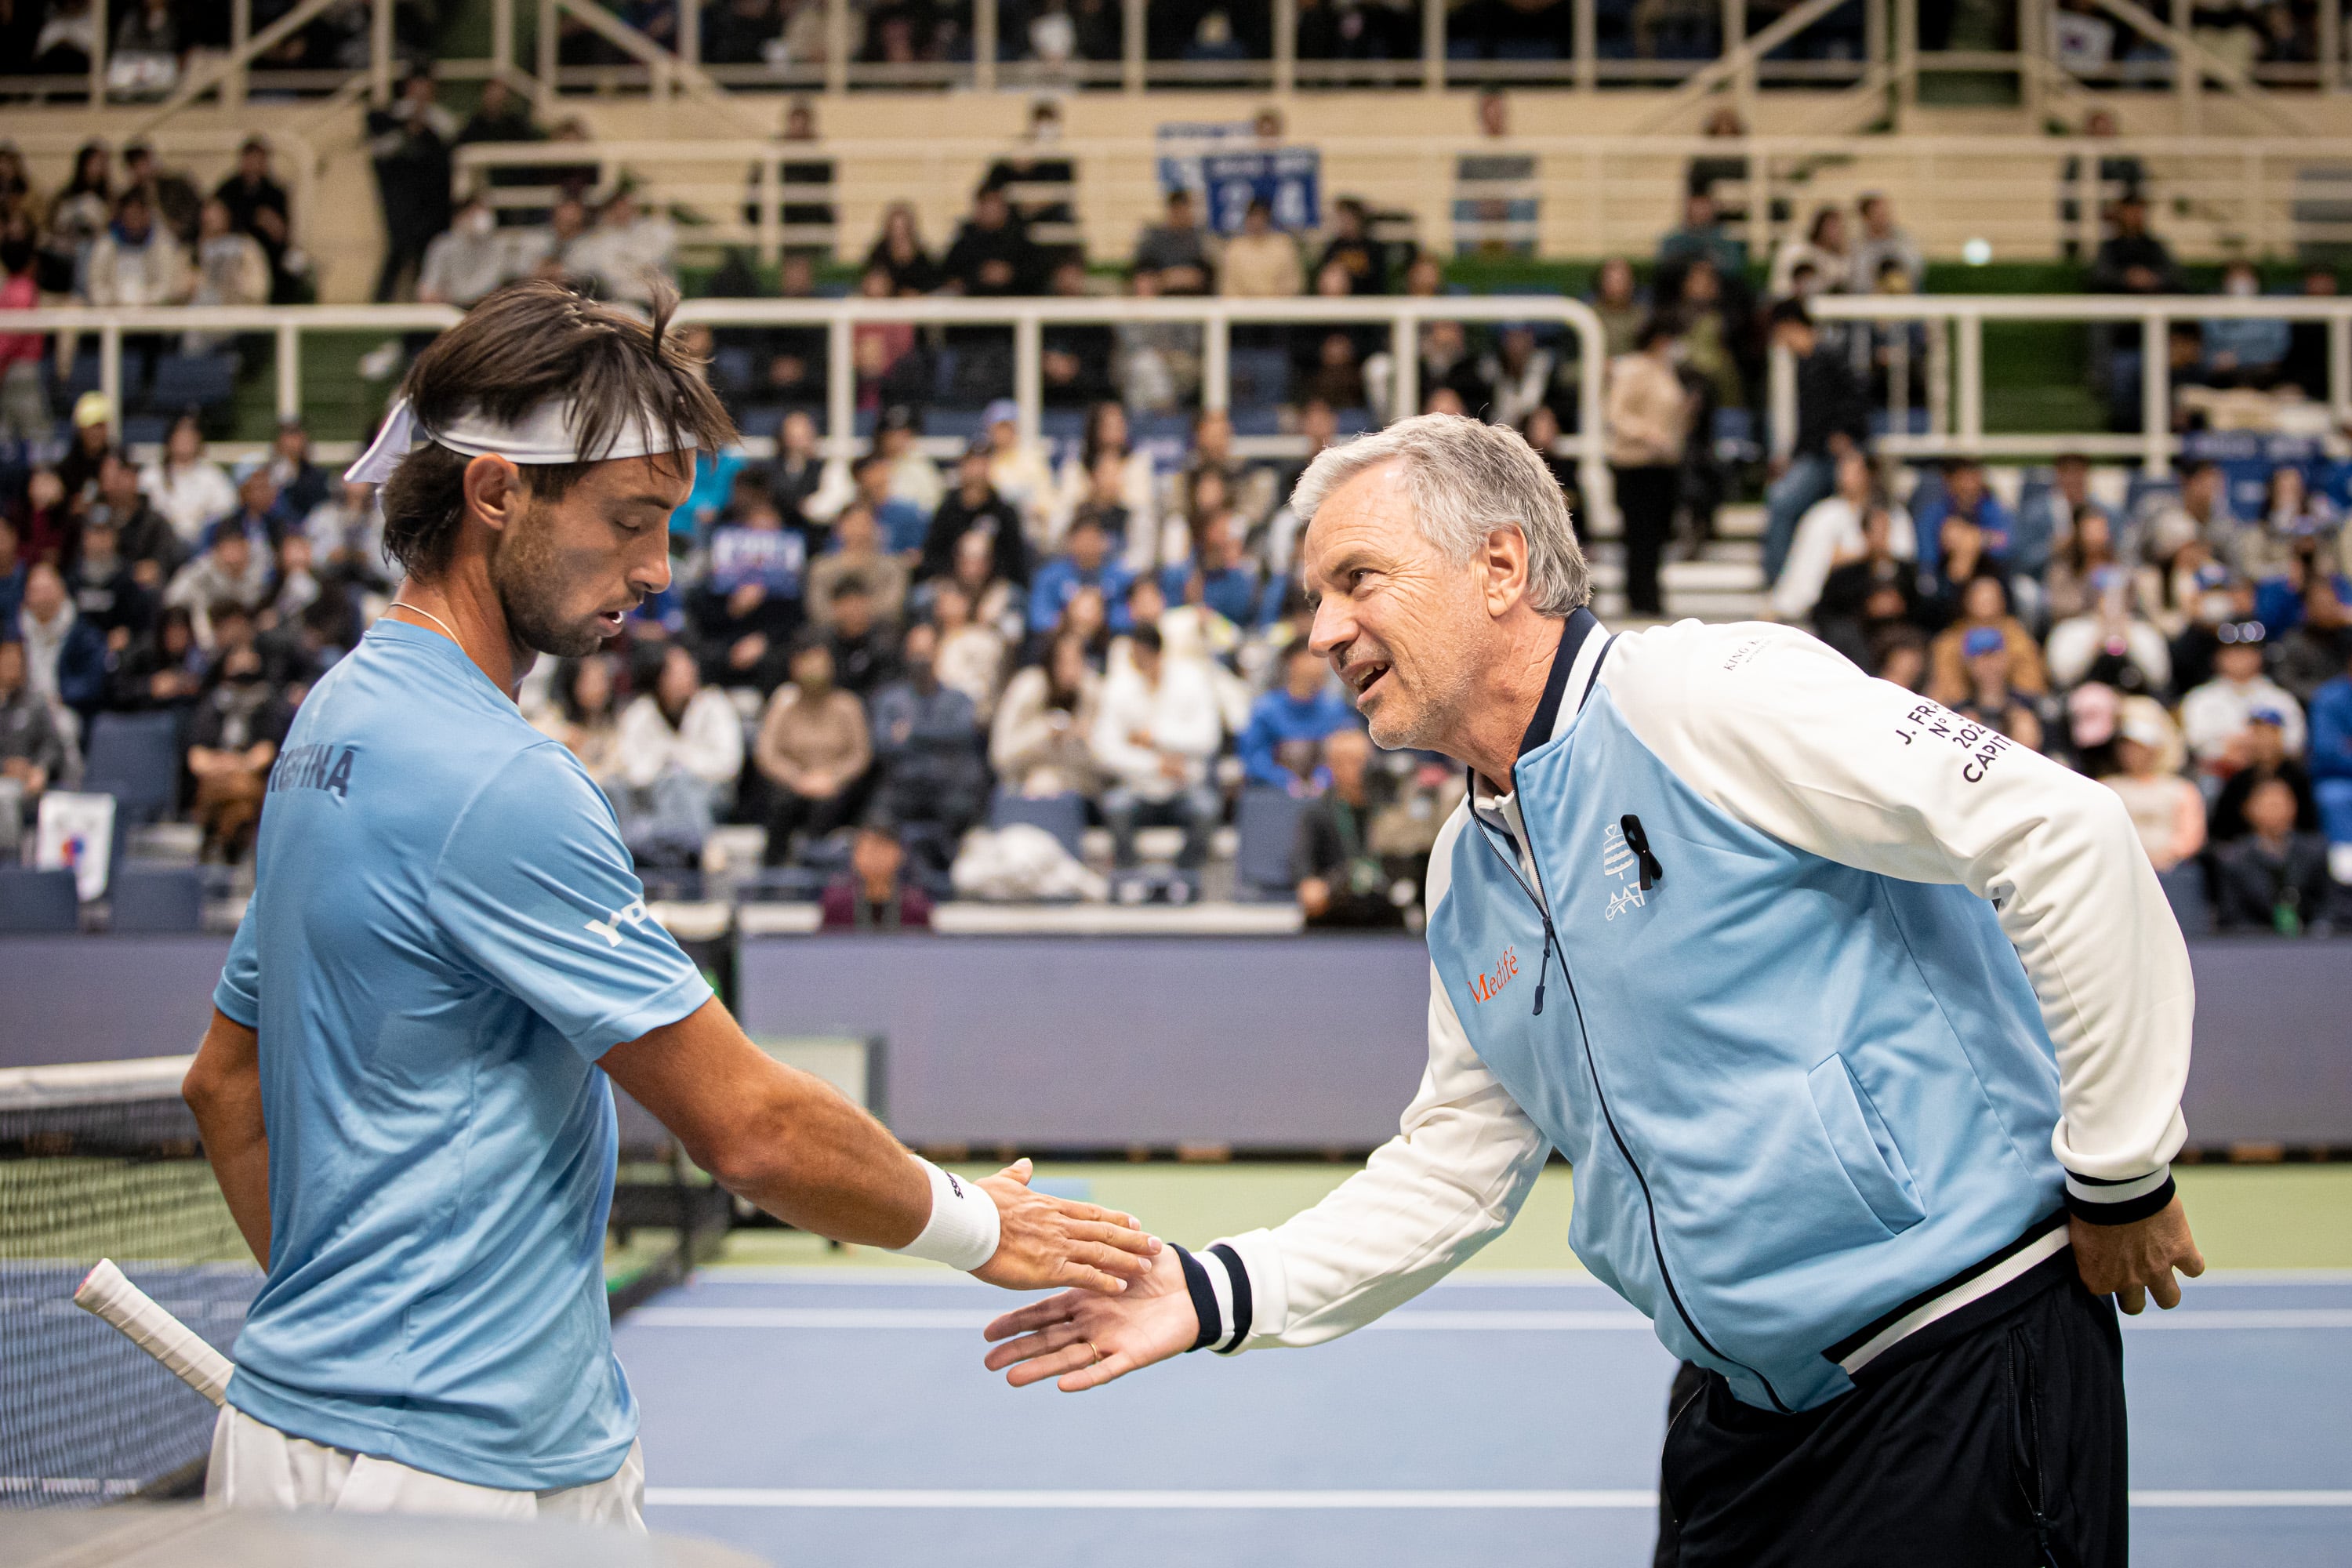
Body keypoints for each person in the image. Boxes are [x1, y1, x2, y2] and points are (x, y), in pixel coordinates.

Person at [985, 414, 2200, 1568]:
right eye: (1315, 596)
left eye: (1356, 580)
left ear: (1499, 566)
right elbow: (1455, 1166)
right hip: (1740, 1420)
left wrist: (2121, 1168)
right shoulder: (1465, 867)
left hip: (1958, 1363)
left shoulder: (1708, 693)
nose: (1321, 631)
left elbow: (2064, 833)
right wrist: (1213, 1290)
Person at [180, 281, 1155, 1522]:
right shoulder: (500, 781)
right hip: (444, 1479)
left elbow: (223, 1087)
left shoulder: (331, 724)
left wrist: (340, 1339)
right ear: (496, 493)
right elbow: (752, 1130)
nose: (657, 569)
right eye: (631, 521)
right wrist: (977, 1225)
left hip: (337, 1427)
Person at [1091, 623, 1221, 873]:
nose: (1142, 664)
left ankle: (1185, 877)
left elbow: (1208, 738)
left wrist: (1155, 737)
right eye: (1136, 658)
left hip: (1184, 787)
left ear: (1160, 653)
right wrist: (1156, 765)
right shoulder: (1119, 688)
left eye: (1146, 656)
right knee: (1114, 806)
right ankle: (1130, 877)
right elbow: (1105, 749)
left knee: (1207, 809)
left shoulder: (1191, 680)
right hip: (1137, 789)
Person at [1763, 300, 1869, 586]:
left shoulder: (1829, 355)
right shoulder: (1807, 361)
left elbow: (1856, 397)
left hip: (1830, 456)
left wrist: (1843, 433)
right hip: (1815, 453)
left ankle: (1778, 580)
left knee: (1782, 502)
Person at [610, 643, 743, 868]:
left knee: (679, 781)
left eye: (689, 670)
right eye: (677, 673)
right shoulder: (640, 713)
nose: (686, 678)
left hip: (708, 790)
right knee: (615, 786)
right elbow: (631, 767)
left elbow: (727, 764)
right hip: (651, 791)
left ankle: (700, 850)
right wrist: (665, 764)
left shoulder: (715, 706)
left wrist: (679, 759)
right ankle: (622, 858)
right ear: (659, 676)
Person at [755, 635, 873, 866]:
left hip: (836, 786)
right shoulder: (783, 704)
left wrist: (833, 778)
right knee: (779, 805)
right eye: (807, 662)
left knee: (828, 807)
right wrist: (797, 778)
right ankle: (772, 871)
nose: (814, 670)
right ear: (795, 666)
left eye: (819, 662)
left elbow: (860, 754)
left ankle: (816, 870)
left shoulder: (848, 705)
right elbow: (767, 753)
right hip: (793, 784)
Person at [868, 621, 989, 845]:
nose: (921, 660)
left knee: (965, 805)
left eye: (926, 652)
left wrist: (912, 733)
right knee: (878, 813)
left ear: (938, 653)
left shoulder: (959, 699)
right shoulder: (889, 700)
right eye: (916, 653)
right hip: (903, 789)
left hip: (948, 788)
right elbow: (883, 743)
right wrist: (937, 739)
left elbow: (962, 734)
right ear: (906, 654)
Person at [1606, 316, 1690, 619]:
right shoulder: (1634, 369)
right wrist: (1648, 434)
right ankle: (1639, 597)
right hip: (1637, 465)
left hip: (1662, 465)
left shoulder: (1665, 370)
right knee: (1639, 536)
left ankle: (1650, 594)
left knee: (1655, 537)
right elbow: (1616, 413)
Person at [185, 638, 292, 863]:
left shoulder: (270, 704)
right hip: (217, 778)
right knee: (238, 805)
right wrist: (227, 766)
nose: (243, 664)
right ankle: (232, 852)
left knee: (239, 799)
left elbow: (266, 753)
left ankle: (216, 845)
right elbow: (196, 757)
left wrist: (234, 765)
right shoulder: (212, 703)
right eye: (237, 658)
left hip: (252, 779)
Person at [2211, 775, 2336, 934]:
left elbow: (2328, 903)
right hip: (2254, 942)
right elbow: (2231, 916)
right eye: (2268, 804)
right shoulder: (2232, 858)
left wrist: (2318, 931)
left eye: (2281, 802)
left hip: (2310, 941)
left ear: (2294, 806)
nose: (2276, 809)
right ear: (2248, 808)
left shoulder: (2316, 850)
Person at [990, 629, 1103, 798]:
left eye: (1077, 661)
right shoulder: (1027, 687)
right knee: (1042, 784)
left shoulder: (1092, 692)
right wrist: (1045, 730)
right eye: (1063, 661)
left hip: (1079, 790)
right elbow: (1000, 756)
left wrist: (1085, 739)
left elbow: (1105, 765)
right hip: (1025, 786)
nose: (1071, 670)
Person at [1240, 641, 1359, 792]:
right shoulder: (1266, 709)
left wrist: (1322, 779)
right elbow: (1253, 757)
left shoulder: (1335, 710)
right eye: (1313, 658)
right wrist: (1284, 780)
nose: (1321, 666)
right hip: (1272, 795)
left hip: (1325, 795)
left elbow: (1346, 754)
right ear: (1293, 662)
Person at [0, 638, 67, 854]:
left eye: (17, 662)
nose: (12, 667)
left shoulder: (34, 703)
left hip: (28, 782)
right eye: (7, 661)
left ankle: (13, 862)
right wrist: (5, 766)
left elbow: (53, 744)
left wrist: (41, 768)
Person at [820, 818, 935, 930]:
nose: (876, 857)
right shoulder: (836, 904)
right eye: (869, 848)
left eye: (883, 847)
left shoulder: (915, 906)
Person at [1133, 188, 1211, 294]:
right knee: (1144, 282)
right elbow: (1143, 267)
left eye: (1184, 210)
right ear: (1171, 211)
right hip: (1161, 288)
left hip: (1194, 292)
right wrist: (1165, 278)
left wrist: (1186, 276)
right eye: (1177, 211)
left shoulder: (1199, 238)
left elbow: (1206, 270)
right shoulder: (1155, 238)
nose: (1181, 215)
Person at [1218, 198, 1301, 298]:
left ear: (1268, 219)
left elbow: (1292, 283)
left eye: (1261, 217)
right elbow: (1229, 287)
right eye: (1253, 217)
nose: (1257, 222)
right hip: (1242, 304)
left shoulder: (1283, 245)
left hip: (1277, 303)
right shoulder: (1235, 247)